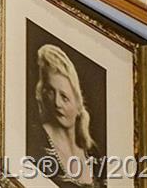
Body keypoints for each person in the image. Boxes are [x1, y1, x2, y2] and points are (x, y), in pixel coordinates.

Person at [32, 43, 105, 188]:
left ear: (78, 104)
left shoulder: (92, 151)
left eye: (64, 97)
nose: (57, 103)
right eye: (50, 92)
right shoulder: (37, 144)